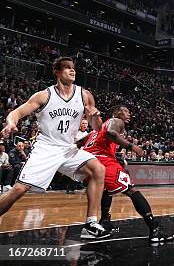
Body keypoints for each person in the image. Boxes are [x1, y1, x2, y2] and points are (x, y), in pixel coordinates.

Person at [0, 56, 111, 240]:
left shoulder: (85, 95)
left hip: (68, 148)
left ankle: (90, 224)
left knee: (98, 169)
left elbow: (98, 128)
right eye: (67, 68)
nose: (72, 70)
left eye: (73, 68)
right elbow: (17, 112)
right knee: (19, 190)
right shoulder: (44, 95)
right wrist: (10, 123)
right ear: (57, 72)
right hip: (46, 148)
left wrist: (96, 117)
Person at [83, 105, 174, 244]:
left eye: (129, 112)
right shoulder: (116, 121)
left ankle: (104, 223)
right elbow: (111, 134)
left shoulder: (97, 128)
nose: (129, 114)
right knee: (131, 190)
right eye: (125, 111)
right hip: (102, 160)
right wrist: (133, 147)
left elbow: (80, 142)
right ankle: (154, 229)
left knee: (107, 189)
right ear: (116, 113)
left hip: (87, 162)